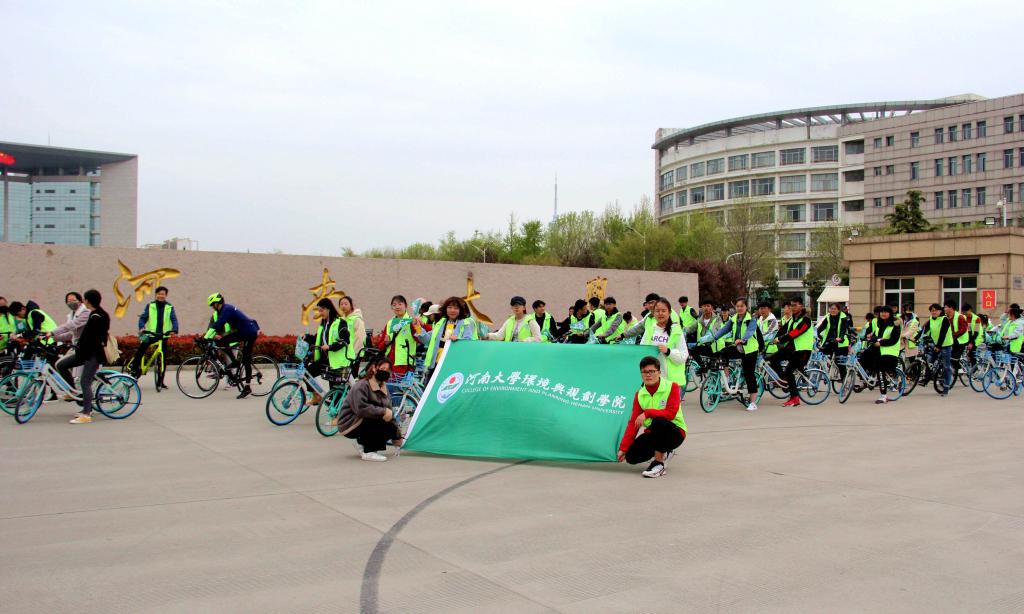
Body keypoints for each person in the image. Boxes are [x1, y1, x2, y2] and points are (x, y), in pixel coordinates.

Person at [617, 356, 686, 478]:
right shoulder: (640, 395)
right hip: (654, 433)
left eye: (652, 371)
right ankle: (666, 451)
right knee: (631, 457)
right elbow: (633, 423)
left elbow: (671, 413)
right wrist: (623, 448)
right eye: (644, 372)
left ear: (659, 372)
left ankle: (659, 464)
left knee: (659, 421)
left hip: (675, 432)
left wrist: (647, 413)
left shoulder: (672, 387)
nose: (648, 375)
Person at [51, 289, 109, 424]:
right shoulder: (94, 314)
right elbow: (76, 333)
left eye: (83, 299)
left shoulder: (96, 316)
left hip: (93, 354)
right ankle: (74, 393)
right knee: (61, 365)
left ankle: (86, 414)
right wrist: (57, 338)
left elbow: (91, 337)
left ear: (87, 300)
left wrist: (54, 333)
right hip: (84, 352)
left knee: (84, 381)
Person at [336, 356, 403, 462]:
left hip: (363, 421)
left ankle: (361, 443)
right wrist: (383, 412)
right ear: (374, 368)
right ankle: (369, 451)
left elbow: (389, 412)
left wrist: (397, 436)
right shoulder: (362, 385)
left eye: (388, 370)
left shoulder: (383, 387)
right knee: (378, 419)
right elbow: (361, 409)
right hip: (350, 423)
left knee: (389, 426)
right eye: (382, 368)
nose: (385, 372)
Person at [704, 298, 762, 411]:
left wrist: (743, 339)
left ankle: (753, 402)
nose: (739, 308)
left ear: (746, 307)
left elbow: (750, 332)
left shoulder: (751, 319)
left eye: (742, 306)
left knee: (749, 374)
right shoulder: (734, 319)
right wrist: (713, 338)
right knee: (722, 353)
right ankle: (725, 375)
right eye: (737, 306)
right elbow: (724, 330)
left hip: (750, 350)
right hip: (739, 348)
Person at [621, 297, 688, 388]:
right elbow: (642, 354)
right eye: (657, 311)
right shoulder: (650, 330)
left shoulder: (676, 331)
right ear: (653, 313)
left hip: (671, 383)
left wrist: (668, 352)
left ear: (669, 312)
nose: (660, 313)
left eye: (663, 311)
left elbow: (683, 356)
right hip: (651, 381)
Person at [206, 293, 260, 398]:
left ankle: (247, 387)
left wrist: (206, 337)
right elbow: (217, 325)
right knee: (220, 341)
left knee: (246, 360)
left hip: (249, 332)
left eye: (212, 305)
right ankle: (234, 361)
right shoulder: (222, 310)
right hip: (241, 331)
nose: (212, 307)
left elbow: (219, 324)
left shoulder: (226, 309)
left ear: (217, 303)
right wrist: (209, 335)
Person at [129, 285, 179, 389]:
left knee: (163, 358)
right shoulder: (150, 306)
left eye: (163, 294)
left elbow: (174, 319)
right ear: (156, 295)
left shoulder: (169, 307)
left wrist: (175, 329)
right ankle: (134, 369)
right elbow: (143, 318)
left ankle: (161, 381)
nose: (161, 296)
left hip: (163, 336)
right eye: (159, 294)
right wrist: (142, 327)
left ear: (166, 295)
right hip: (150, 334)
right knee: (141, 350)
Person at [769, 297, 814, 407]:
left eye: (795, 305)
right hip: (792, 348)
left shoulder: (806, 320)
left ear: (801, 306)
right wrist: (771, 340)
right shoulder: (792, 319)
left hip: (802, 351)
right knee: (772, 358)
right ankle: (784, 380)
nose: (792, 308)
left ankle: (795, 398)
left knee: (789, 370)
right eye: (791, 306)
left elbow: (796, 332)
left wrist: (780, 340)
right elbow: (782, 330)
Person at [305, 298, 350, 404]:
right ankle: (316, 396)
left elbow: (345, 341)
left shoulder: (340, 322)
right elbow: (318, 339)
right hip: (325, 360)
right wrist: (307, 337)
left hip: (336, 362)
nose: (320, 313)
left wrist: (330, 347)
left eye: (321, 310)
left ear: (328, 309)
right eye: (319, 311)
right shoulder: (324, 324)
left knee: (334, 391)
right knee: (307, 373)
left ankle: (337, 412)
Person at [418, 296, 476, 376]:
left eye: (456, 308)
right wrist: (418, 327)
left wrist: (458, 339)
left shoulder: (466, 323)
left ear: (460, 310)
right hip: (436, 363)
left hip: (454, 364)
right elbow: (428, 339)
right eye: (449, 307)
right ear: (445, 309)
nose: (452, 310)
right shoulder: (441, 322)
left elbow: (468, 343)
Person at [859, 305, 902, 404]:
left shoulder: (895, 325)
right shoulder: (879, 323)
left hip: (890, 350)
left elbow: (893, 340)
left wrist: (881, 342)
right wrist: (871, 338)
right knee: (863, 357)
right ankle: (869, 379)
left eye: (886, 312)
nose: (883, 314)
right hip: (879, 347)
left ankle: (883, 396)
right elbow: (876, 336)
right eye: (882, 312)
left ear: (890, 314)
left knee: (880, 369)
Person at [383, 295, 421, 377]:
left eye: (400, 304)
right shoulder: (390, 323)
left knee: (402, 385)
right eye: (394, 305)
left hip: (406, 362)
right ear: (391, 307)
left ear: (406, 306)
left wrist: (418, 326)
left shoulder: (411, 322)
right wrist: (386, 343)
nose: (397, 307)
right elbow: (382, 343)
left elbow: (420, 339)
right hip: (390, 361)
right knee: (390, 384)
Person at [923, 303, 953, 394]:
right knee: (929, 362)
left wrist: (938, 346)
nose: (934, 312)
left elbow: (943, 333)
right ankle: (926, 379)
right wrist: (915, 338)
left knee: (946, 366)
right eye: (932, 311)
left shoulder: (944, 319)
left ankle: (946, 387)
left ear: (940, 311)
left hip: (945, 345)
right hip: (935, 344)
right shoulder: (931, 319)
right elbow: (924, 330)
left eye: (936, 310)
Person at [817, 303, 852, 380]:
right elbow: (821, 327)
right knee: (820, 355)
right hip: (830, 341)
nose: (833, 310)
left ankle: (844, 380)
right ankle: (826, 370)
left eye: (835, 309)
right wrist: (817, 334)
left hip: (841, 343)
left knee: (840, 363)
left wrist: (841, 338)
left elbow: (843, 329)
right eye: (831, 308)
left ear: (838, 310)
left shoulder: (843, 317)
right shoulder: (828, 317)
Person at [689, 300, 721, 373]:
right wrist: (682, 332)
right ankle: (703, 367)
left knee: (714, 369)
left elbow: (713, 332)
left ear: (712, 308)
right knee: (693, 350)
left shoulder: (717, 319)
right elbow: (690, 328)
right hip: (705, 347)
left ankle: (719, 379)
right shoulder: (700, 320)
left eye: (708, 306)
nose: (706, 308)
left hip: (715, 348)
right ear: (701, 308)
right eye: (704, 306)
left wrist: (703, 339)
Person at [338, 296, 366, 369]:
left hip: (354, 355)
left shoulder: (356, 319)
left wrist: (355, 354)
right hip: (344, 355)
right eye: (341, 304)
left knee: (353, 375)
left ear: (351, 305)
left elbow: (360, 338)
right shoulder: (340, 320)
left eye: (346, 304)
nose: (343, 306)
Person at [943, 300, 969, 368]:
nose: (944, 309)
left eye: (945, 307)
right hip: (950, 340)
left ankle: (959, 369)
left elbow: (963, 329)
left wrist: (953, 336)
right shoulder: (945, 317)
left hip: (960, 341)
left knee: (953, 359)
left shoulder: (960, 317)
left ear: (951, 308)